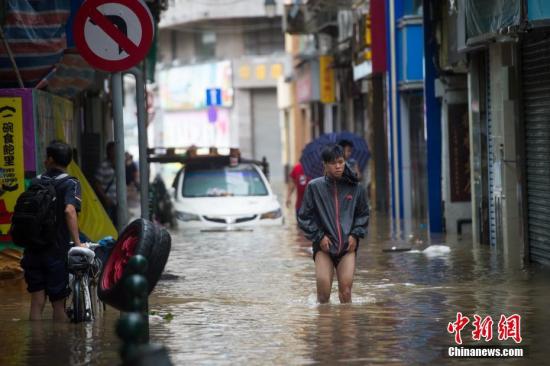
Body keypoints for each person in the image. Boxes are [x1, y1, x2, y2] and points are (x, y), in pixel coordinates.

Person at [20, 141, 83, 321]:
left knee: (36, 302)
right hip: (55, 251)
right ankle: (58, 346)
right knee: (58, 306)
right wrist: (78, 243)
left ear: (50, 159)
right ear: (67, 162)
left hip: (32, 249)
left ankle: (37, 346)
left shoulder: (35, 182)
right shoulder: (71, 183)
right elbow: (69, 211)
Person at [298, 144, 369, 304]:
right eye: (333, 163)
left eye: (341, 161)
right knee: (323, 296)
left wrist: (355, 234)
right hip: (324, 248)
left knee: (345, 293)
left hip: (347, 248)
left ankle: (346, 326)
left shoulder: (356, 188)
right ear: (325, 164)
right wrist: (319, 236)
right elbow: (304, 217)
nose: (338, 166)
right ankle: (325, 326)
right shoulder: (314, 187)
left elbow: (363, 214)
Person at [94, 142, 117, 226]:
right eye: (113, 150)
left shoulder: (119, 165)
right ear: (108, 152)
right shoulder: (103, 165)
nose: (115, 152)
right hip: (108, 202)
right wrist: (105, 198)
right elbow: (97, 184)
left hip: (118, 202)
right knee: (108, 224)